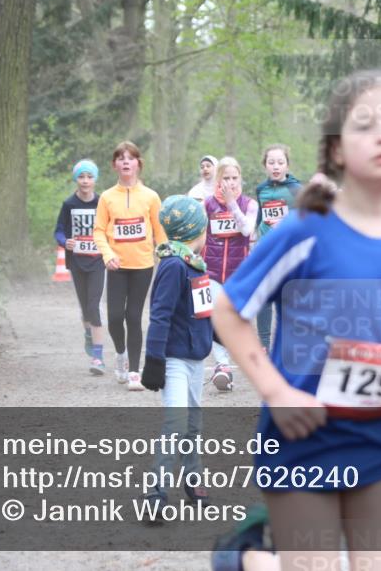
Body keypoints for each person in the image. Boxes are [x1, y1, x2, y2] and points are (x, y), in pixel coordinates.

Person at [212, 69, 381, 570]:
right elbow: (227, 309)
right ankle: (247, 558)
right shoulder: (307, 231)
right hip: (303, 438)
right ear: (337, 150)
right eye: (364, 124)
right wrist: (276, 393)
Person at [140, 195, 214, 512]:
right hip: (172, 360)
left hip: (196, 357)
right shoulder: (172, 266)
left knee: (193, 422)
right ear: (194, 232)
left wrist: (220, 339)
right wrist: (153, 360)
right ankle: (155, 491)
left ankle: (192, 475)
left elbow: (203, 312)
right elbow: (160, 315)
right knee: (176, 422)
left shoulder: (196, 265)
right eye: (203, 229)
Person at [92, 141, 167, 391]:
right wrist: (107, 254)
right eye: (121, 158)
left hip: (143, 265)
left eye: (131, 158)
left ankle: (135, 371)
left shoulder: (151, 197)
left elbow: (160, 231)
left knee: (133, 316)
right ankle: (121, 354)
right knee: (114, 317)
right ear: (115, 165)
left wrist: (166, 255)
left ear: (138, 164)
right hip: (116, 265)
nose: (126, 162)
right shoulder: (106, 197)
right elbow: (99, 231)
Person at [204, 156, 258, 391]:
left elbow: (246, 229)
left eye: (235, 178)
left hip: (239, 272)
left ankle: (236, 361)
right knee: (216, 316)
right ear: (218, 180)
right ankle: (222, 366)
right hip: (212, 271)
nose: (231, 182)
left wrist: (231, 204)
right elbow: (199, 235)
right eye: (226, 178)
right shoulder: (206, 205)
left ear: (241, 180)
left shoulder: (250, 204)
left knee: (235, 319)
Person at [53, 159, 106, 374]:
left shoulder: (102, 203)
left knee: (94, 306)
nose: (85, 181)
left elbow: (110, 228)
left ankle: (98, 356)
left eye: (89, 177)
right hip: (77, 262)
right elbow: (58, 231)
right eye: (82, 177)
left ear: (95, 180)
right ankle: (88, 334)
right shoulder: (69, 204)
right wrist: (66, 242)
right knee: (85, 308)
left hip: (98, 261)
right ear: (76, 179)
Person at [253, 144, 302, 351]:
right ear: (265, 165)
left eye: (280, 162)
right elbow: (260, 218)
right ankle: (263, 344)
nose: (276, 166)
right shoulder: (261, 189)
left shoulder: (297, 189)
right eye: (271, 162)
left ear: (287, 166)